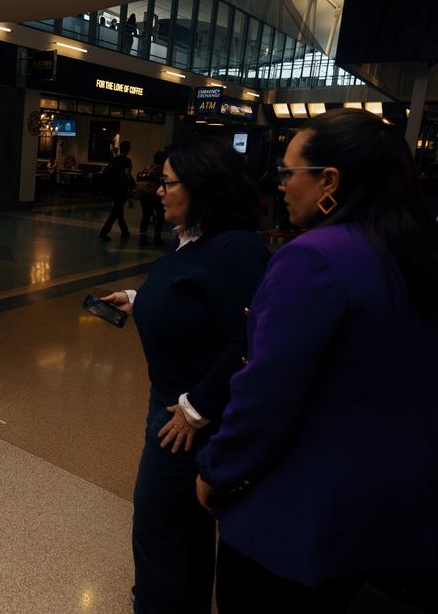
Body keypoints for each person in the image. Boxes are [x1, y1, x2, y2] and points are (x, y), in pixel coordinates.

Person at [197, 109, 438, 614]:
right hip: (375, 507)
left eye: (288, 173)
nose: (279, 185)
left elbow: (267, 391)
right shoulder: (411, 251)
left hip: (294, 512)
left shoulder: (316, 258)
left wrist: (217, 469)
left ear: (329, 180)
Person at [101, 137, 270, 613]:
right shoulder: (197, 240)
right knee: (188, 529)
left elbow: (247, 340)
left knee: (158, 528)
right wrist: (138, 301)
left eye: (169, 182)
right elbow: (195, 302)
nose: (158, 190)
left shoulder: (235, 250)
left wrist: (195, 410)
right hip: (173, 405)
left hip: (187, 419)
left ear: (202, 187)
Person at [99, 141, 134, 242]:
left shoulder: (114, 160)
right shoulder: (127, 161)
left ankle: (124, 230)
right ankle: (104, 232)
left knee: (119, 209)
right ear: (128, 150)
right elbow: (127, 174)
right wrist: (130, 188)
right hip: (121, 189)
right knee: (116, 211)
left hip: (112, 189)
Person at [135, 150, 167, 247]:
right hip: (155, 196)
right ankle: (157, 238)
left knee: (146, 217)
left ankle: (143, 239)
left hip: (144, 195)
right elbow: (163, 184)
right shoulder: (162, 168)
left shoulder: (148, 167)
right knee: (161, 217)